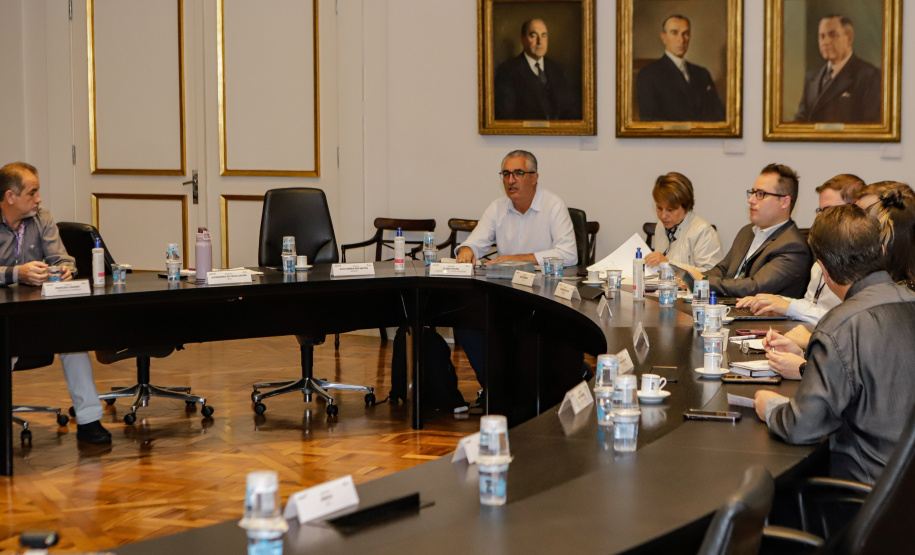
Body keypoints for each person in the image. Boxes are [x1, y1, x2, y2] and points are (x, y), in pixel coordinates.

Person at [754, 204, 915, 486]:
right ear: (879, 251)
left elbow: (803, 426)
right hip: (900, 500)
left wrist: (771, 408)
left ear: (825, 271)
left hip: (866, 500)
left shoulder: (840, 324)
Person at [0, 162, 110, 444]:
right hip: (4, 316)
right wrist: (17, 272)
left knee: (72, 343)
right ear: (10, 197)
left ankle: (89, 420)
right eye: (32, 192)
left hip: (38, 311)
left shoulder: (41, 217)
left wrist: (64, 269)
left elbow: (62, 257)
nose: (39, 199)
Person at [456, 150, 577, 389]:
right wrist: (466, 250)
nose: (511, 180)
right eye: (506, 174)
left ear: (534, 178)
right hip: (505, 295)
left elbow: (568, 254)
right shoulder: (497, 208)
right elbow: (474, 242)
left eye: (518, 173)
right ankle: (495, 387)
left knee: (524, 331)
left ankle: (525, 389)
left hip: (543, 297)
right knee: (466, 325)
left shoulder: (553, 206)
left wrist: (514, 259)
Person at [767, 181, 915, 374]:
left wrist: (806, 366)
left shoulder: (891, 302)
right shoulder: (894, 291)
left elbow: (878, 380)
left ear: (882, 245)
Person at [736, 174, 864, 324]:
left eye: (829, 210)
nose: (821, 218)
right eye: (820, 211)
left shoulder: (861, 263)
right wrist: (773, 301)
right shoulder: (819, 262)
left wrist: (789, 307)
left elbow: (844, 321)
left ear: (855, 209)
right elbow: (811, 305)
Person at [696, 164, 811, 298]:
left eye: (761, 194)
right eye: (753, 193)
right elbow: (722, 269)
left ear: (784, 202)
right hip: (731, 308)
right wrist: (692, 278)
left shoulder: (793, 247)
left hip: (761, 317)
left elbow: (755, 288)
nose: (750, 200)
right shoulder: (747, 231)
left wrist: (703, 281)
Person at [636, 14, 725, 122]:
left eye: (685, 34)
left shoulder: (702, 73)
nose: (681, 40)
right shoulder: (648, 74)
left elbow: (718, 114)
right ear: (663, 38)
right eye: (674, 33)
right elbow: (650, 121)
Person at [794, 14, 881, 124]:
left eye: (832, 35)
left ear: (849, 38)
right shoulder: (811, 77)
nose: (825, 42)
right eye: (822, 36)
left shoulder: (869, 75)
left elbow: (871, 126)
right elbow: (800, 121)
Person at [494, 18, 581, 121]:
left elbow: (571, 111)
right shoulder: (507, 71)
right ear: (522, 39)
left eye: (544, 35)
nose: (540, 42)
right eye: (533, 36)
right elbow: (505, 117)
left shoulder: (559, 69)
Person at [644, 172, 723, 272]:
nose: (663, 216)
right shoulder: (661, 225)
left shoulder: (703, 231)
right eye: (659, 208)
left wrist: (668, 264)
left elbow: (712, 274)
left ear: (686, 207)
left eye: (670, 210)